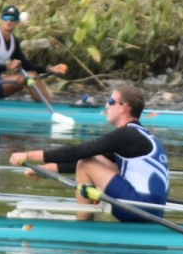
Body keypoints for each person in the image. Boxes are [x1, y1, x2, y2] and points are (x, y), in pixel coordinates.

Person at [9, 84, 169, 221]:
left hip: (138, 209)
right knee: (94, 161)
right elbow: (90, 160)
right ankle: (86, 218)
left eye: (111, 101)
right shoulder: (139, 136)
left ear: (124, 107)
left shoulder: (125, 135)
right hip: (153, 211)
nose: (106, 106)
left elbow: (79, 152)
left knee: (86, 163)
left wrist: (27, 155)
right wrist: (45, 169)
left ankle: (83, 225)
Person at [0, 5, 67, 100]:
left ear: (17, 22)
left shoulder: (13, 41)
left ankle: (50, 103)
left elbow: (26, 65)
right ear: (1, 20)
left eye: (12, 19)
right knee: (30, 77)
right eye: (6, 18)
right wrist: (7, 67)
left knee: (32, 74)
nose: (9, 22)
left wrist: (50, 69)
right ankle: (47, 107)